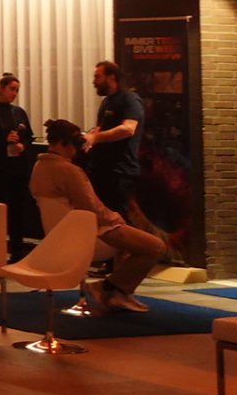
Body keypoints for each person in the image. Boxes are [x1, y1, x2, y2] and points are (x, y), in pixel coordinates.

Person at [29, 120, 173, 311]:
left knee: (129, 245)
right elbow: (92, 207)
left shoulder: (38, 168)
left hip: (60, 235)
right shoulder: (68, 171)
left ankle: (117, 292)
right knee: (155, 246)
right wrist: (116, 218)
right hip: (88, 235)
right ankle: (110, 288)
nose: (77, 151)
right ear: (65, 143)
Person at [0, 72, 36, 246]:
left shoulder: (19, 112)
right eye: (12, 89)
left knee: (18, 208)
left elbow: (29, 137)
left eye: (17, 90)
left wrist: (23, 145)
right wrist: (4, 141)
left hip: (18, 168)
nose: (15, 93)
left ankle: (17, 246)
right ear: (1, 89)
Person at [85, 60, 148, 225]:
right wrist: (91, 135)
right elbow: (101, 130)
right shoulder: (106, 102)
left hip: (120, 172)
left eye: (97, 77)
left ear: (111, 77)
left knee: (120, 219)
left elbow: (128, 129)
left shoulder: (129, 99)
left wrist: (96, 137)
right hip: (102, 170)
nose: (94, 82)